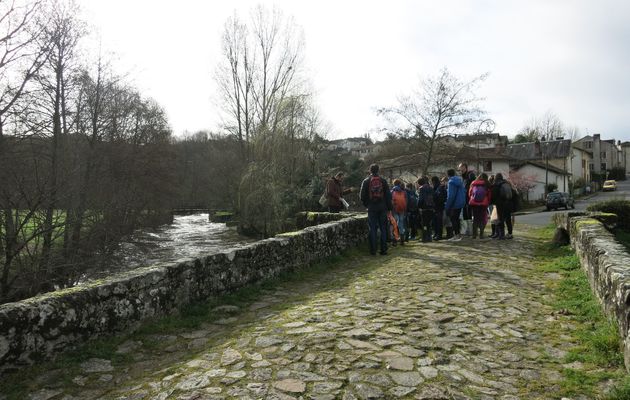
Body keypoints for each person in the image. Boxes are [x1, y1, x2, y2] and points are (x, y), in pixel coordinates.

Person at [360, 164, 392, 255]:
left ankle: (373, 250)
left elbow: (361, 196)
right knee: (383, 228)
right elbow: (388, 196)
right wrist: (389, 208)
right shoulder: (383, 181)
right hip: (382, 208)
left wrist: (367, 205)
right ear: (378, 170)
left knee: (372, 228)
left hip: (372, 208)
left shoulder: (366, 181)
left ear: (370, 171)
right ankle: (384, 250)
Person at [468, 172, 491, 239]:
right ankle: (481, 234)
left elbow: (470, 193)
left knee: (475, 219)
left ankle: (474, 235)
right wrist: (487, 202)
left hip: (474, 203)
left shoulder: (473, 183)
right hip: (483, 204)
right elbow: (489, 195)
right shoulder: (487, 184)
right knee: (482, 219)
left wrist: (473, 198)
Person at [444, 169, 466, 241]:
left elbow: (451, 195)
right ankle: (458, 235)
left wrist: (447, 206)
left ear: (448, 175)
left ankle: (456, 235)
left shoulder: (451, 182)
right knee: (456, 219)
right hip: (460, 202)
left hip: (454, 203)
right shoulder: (459, 181)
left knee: (453, 219)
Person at [490, 172, 513, 240]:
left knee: (500, 219)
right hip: (508, 203)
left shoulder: (496, 184)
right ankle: (510, 233)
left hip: (500, 204)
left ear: (496, 178)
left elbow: (493, 195)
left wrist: (492, 202)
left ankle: (501, 235)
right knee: (508, 219)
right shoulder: (506, 183)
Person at [458, 163, 476, 235]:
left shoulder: (470, 175)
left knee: (469, 213)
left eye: (460, 168)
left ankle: (471, 231)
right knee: (465, 214)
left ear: (465, 167)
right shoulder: (462, 177)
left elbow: (473, 185)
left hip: (470, 198)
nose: (460, 169)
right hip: (464, 198)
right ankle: (467, 230)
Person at [417, 176, 435, 242]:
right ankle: (429, 237)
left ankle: (425, 238)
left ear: (419, 183)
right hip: (431, 208)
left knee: (424, 224)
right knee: (429, 223)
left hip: (424, 208)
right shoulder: (431, 188)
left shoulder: (421, 188)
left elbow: (420, 199)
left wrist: (418, 206)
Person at [390, 179, 407, 245]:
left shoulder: (391, 191)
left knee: (394, 224)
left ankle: (395, 240)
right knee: (401, 224)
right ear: (399, 184)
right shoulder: (404, 192)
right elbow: (406, 201)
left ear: (394, 184)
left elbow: (390, 202)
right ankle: (402, 240)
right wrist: (405, 209)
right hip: (402, 209)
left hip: (394, 209)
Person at [431, 176, 446, 241]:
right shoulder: (440, 187)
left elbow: (437, 198)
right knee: (437, 221)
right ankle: (437, 234)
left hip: (438, 207)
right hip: (439, 207)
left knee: (438, 221)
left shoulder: (438, 188)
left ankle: (438, 235)